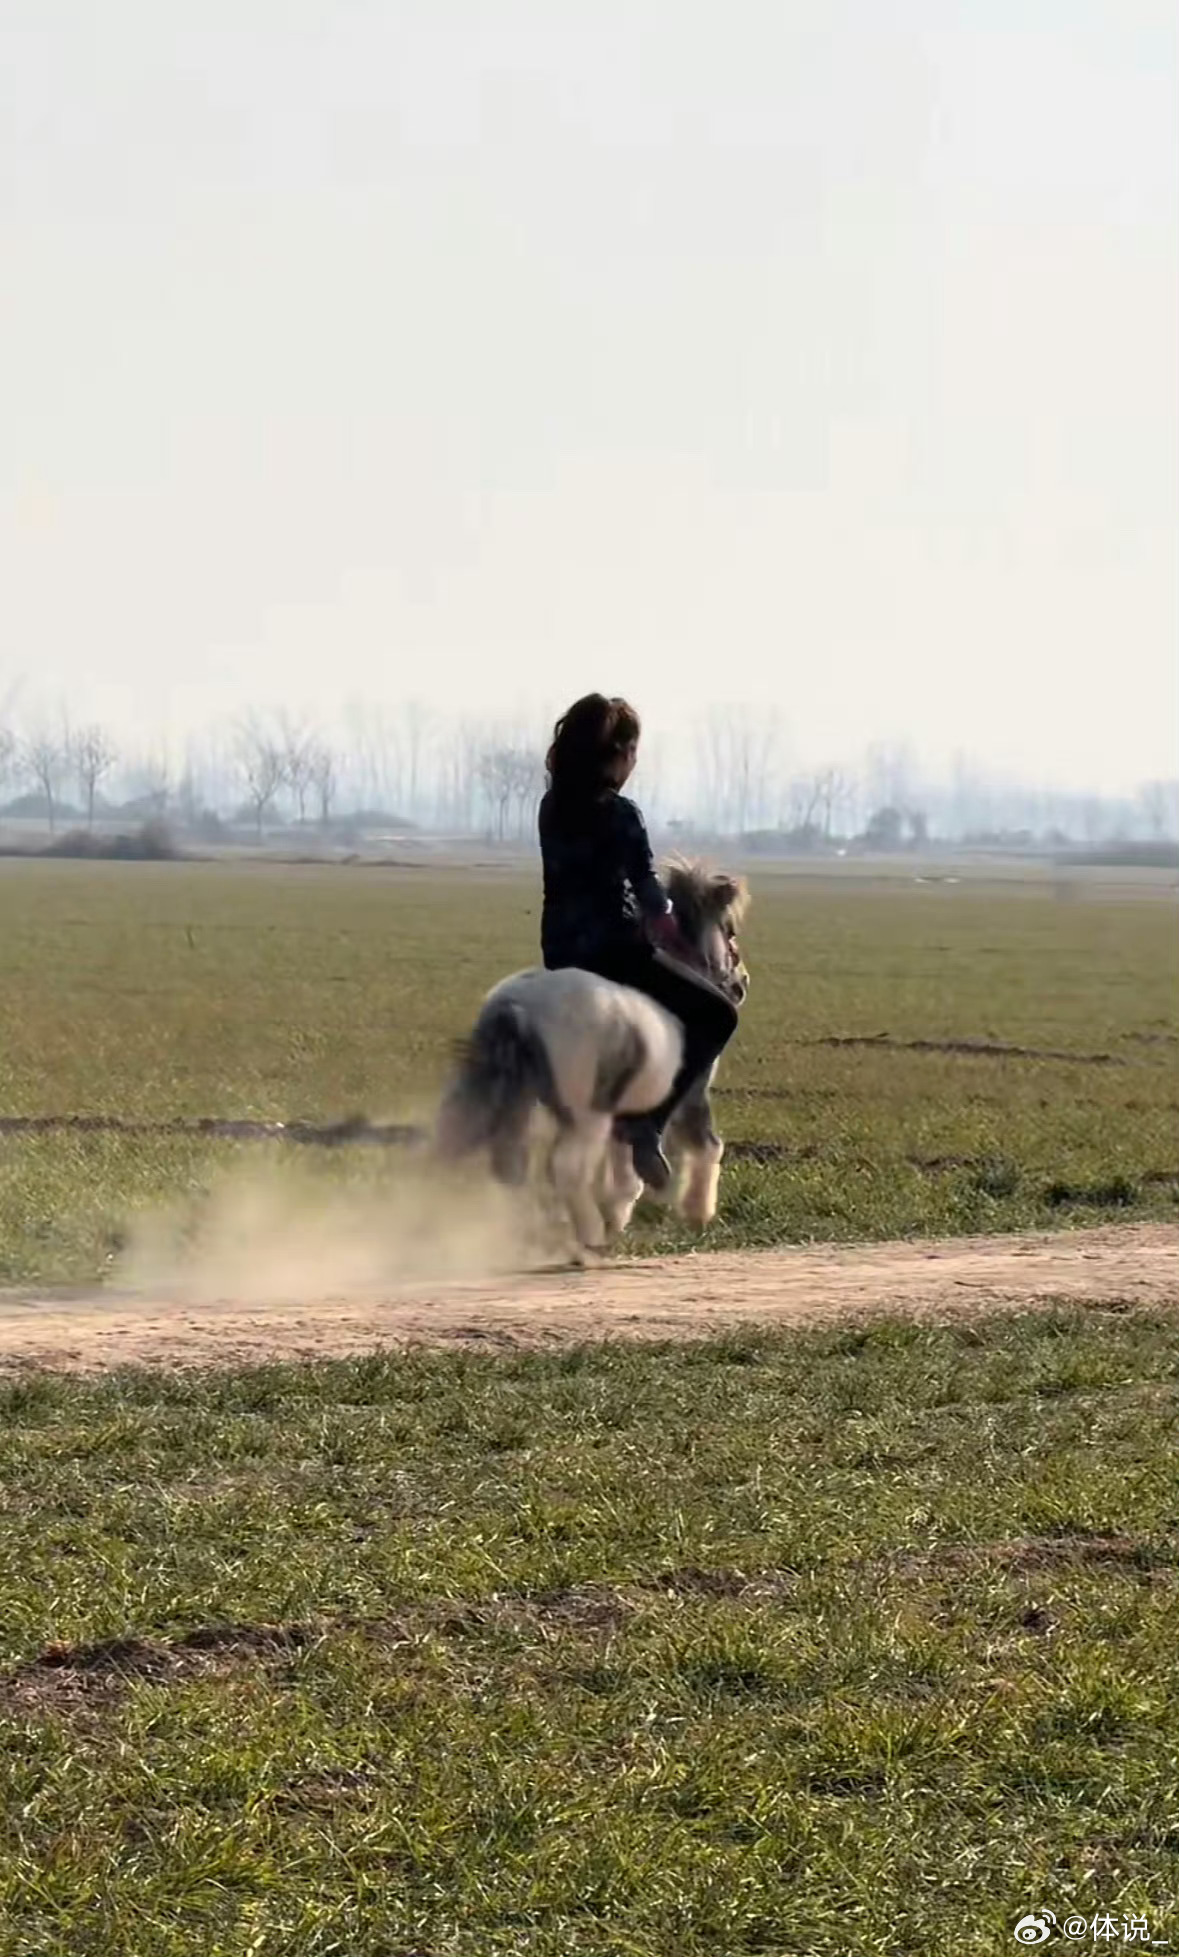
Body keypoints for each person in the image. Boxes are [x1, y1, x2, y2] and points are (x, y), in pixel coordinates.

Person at [538, 692, 739, 1192]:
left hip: (559, 955)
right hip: (615, 956)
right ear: (619, 754)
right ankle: (647, 1122)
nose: (633, 764)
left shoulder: (551, 807)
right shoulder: (622, 814)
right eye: (633, 753)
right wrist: (671, 931)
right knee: (716, 1015)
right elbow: (648, 891)